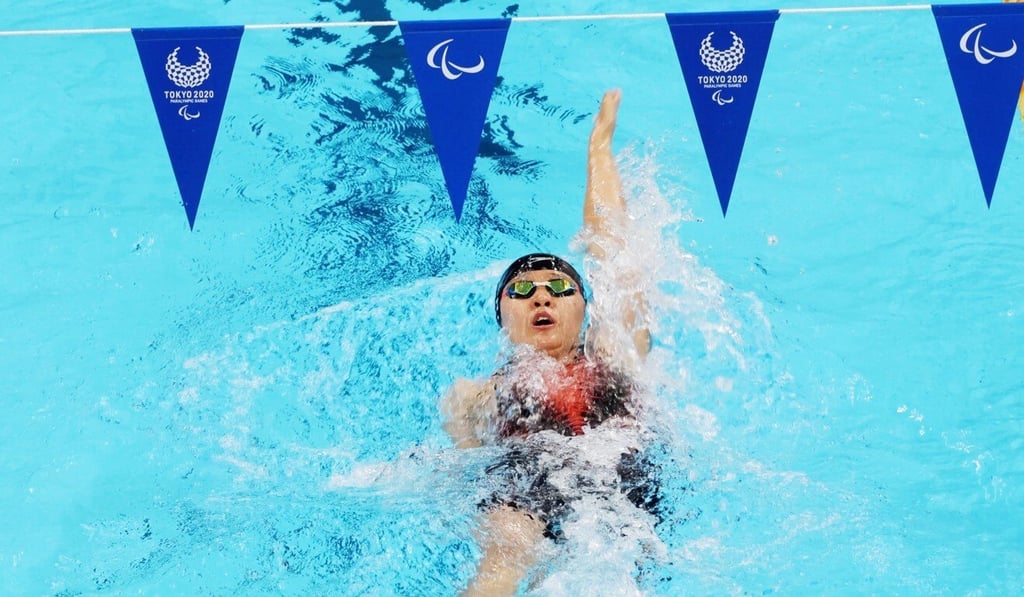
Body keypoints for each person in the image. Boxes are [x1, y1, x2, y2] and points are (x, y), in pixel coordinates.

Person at [441, 90, 660, 596]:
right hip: (528, 484)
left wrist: (599, 149)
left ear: (585, 308)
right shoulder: (473, 394)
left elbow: (614, 248)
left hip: (625, 476)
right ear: (505, 318)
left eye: (561, 287)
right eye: (522, 290)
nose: (543, 295)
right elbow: (468, 471)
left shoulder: (614, 350)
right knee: (504, 555)